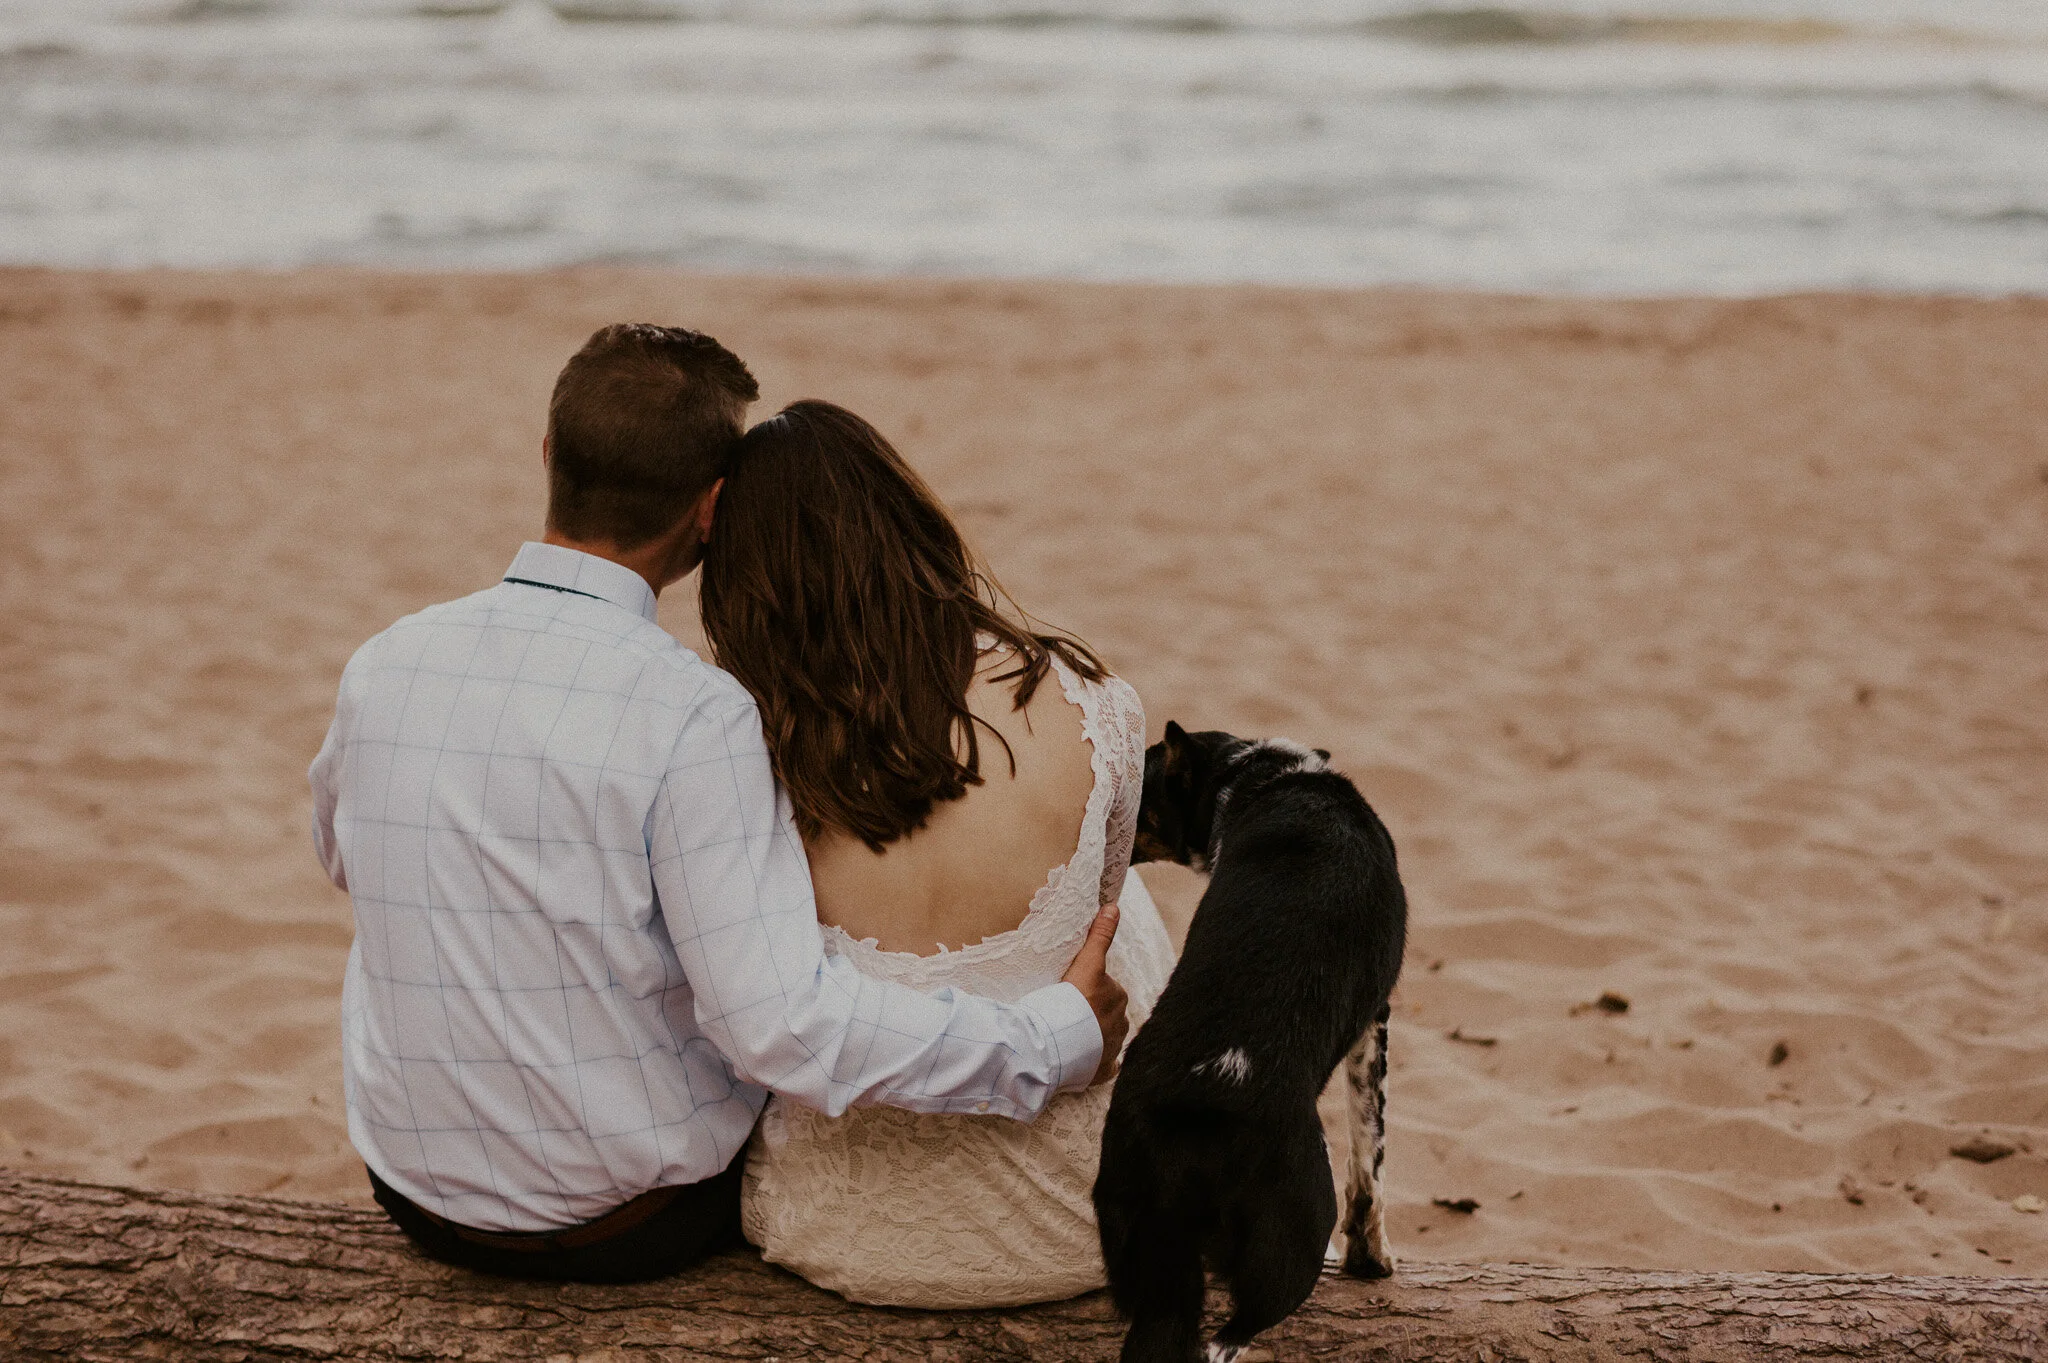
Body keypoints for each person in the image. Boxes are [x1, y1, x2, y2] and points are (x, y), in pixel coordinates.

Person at [308, 324, 1129, 1284]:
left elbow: (342, 855)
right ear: (710, 512)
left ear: (548, 456)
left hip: (411, 1190)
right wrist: (1050, 1042)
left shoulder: (386, 661)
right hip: (621, 1225)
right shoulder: (694, 715)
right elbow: (784, 1030)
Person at [698, 400, 1178, 1308]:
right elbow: (1102, 936)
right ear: (914, 523)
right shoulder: (1098, 702)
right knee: (1126, 909)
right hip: (1080, 1228)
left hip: (836, 1232)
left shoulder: (747, 745)